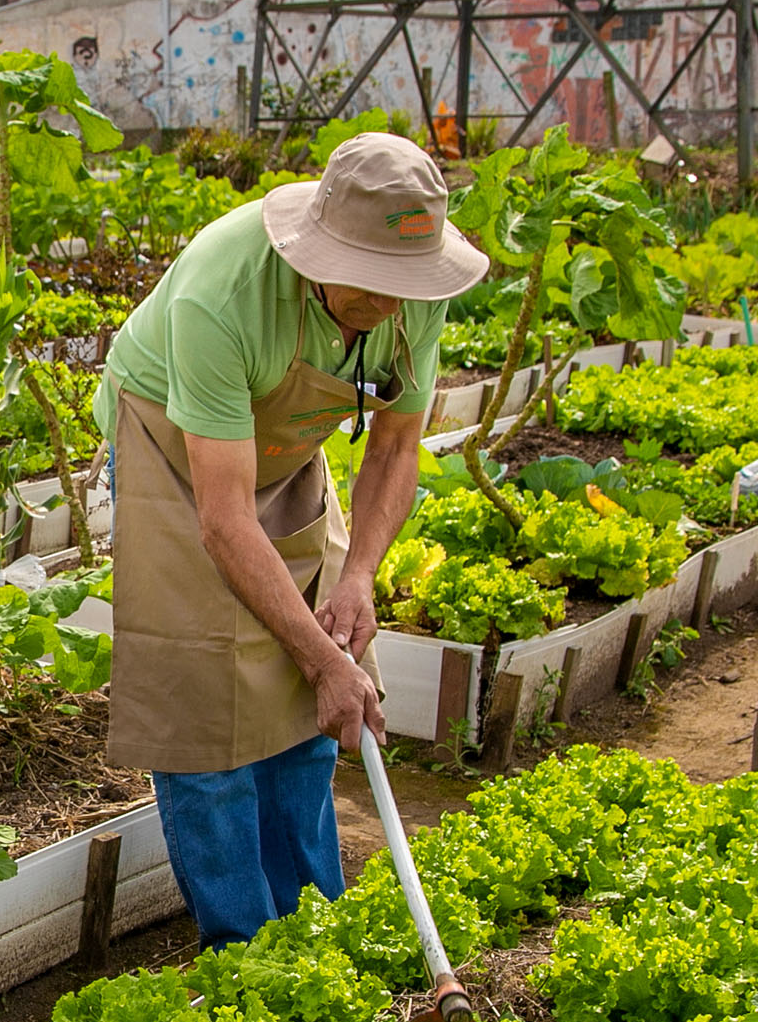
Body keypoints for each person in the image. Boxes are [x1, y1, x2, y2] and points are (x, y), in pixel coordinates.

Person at [93, 131, 488, 947]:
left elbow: (395, 447)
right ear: (319, 254)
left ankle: (312, 934)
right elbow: (224, 518)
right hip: (179, 451)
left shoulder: (415, 292)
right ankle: (243, 950)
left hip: (288, 448)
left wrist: (361, 579)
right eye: (373, 283)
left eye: (406, 284)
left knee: (319, 699)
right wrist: (317, 655)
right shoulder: (224, 291)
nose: (393, 301)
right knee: (205, 707)